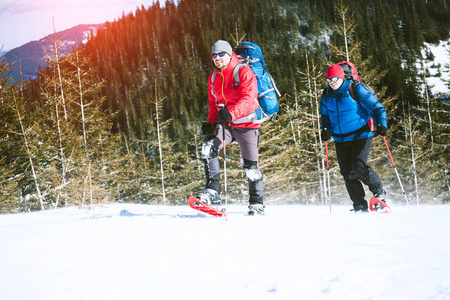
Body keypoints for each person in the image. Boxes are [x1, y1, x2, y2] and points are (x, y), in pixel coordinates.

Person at [198, 40, 265, 215]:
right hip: (227, 123)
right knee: (208, 148)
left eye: (221, 54)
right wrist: (211, 123)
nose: (217, 57)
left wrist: (232, 113)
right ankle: (213, 192)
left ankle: (256, 203)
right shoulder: (213, 77)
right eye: (214, 55)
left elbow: (249, 99)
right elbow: (213, 103)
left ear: (229, 55)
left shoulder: (243, 71)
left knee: (250, 166)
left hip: (248, 124)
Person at [320, 63, 388, 212]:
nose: (332, 82)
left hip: (361, 134)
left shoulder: (356, 89)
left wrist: (382, 124)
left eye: (335, 78)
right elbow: (325, 116)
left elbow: (377, 107)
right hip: (340, 138)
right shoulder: (326, 94)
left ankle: (379, 193)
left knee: (358, 166)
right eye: (329, 79)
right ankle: (359, 206)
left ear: (342, 77)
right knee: (347, 173)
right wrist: (326, 130)